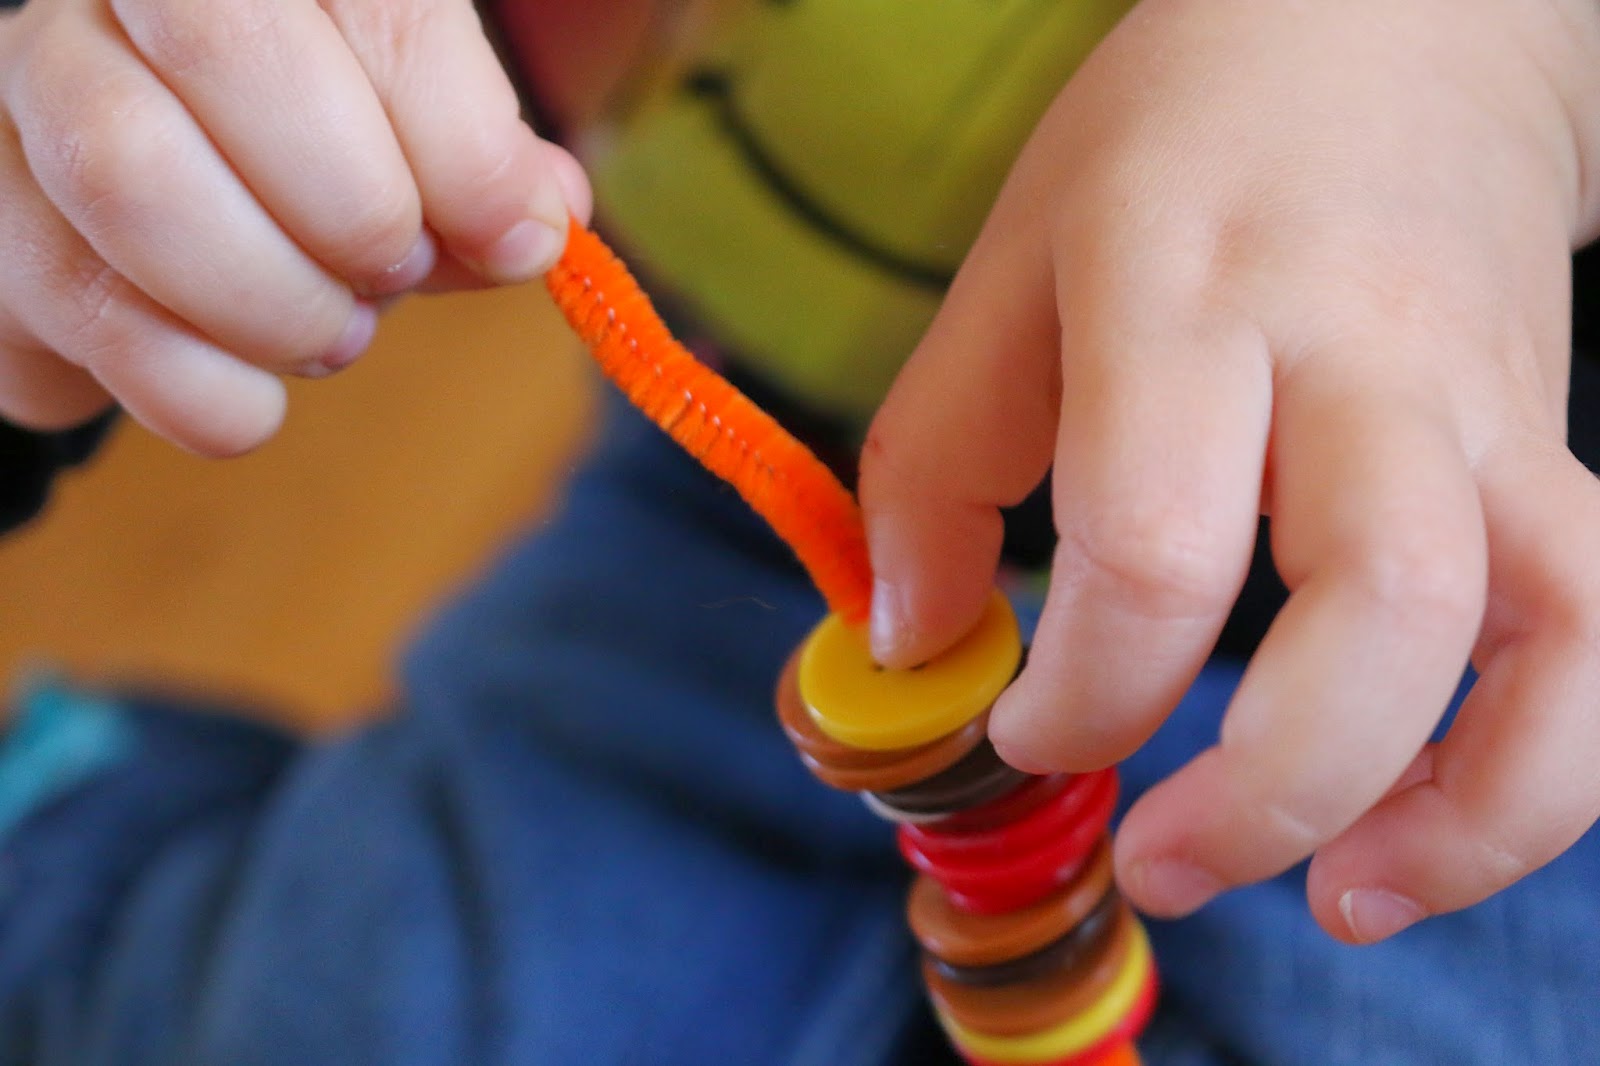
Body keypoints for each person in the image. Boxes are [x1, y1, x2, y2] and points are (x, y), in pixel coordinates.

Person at [2, 0, 1599, 1062]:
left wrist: (1483, 65)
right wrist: (84, 183)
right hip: (765, 528)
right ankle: (77, 856)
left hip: (1478, 621)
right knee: (372, 1012)